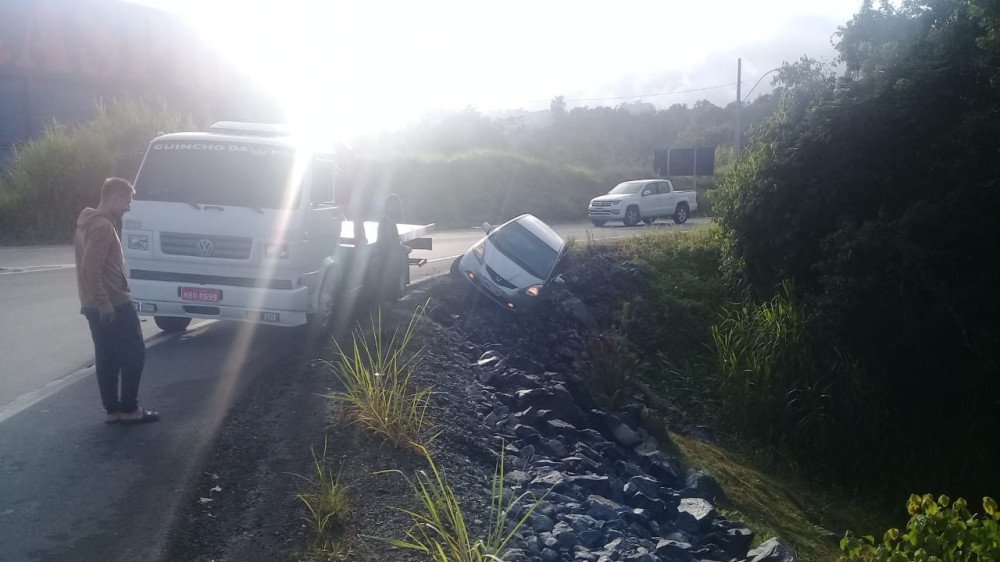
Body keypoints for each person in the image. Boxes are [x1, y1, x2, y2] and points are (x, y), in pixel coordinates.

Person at [75, 177, 159, 424]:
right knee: (134, 353)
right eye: (127, 200)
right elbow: (90, 269)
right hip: (113, 303)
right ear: (114, 197)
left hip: (93, 304)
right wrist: (104, 302)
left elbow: (89, 268)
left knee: (107, 356)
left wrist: (97, 302)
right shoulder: (102, 227)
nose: (129, 207)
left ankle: (113, 410)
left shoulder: (86, 222)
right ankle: (130, 409)